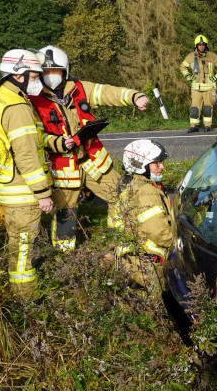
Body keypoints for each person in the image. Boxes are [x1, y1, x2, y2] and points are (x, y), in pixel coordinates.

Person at [30, 45, 148, 250]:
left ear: (65, 70)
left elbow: (108, 92)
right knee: (66, 213)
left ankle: (119, 243)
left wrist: (134, 96)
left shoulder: (79, 88)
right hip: (63, 168)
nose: (50, 76)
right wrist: (57, 143)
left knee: (120, 195)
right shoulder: (33, 98)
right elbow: (35, 136)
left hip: (93, 160)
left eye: (55, 71)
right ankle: (64, 258)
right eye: (46, 72)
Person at [0, 49, 68, 299]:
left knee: (14, 243)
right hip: (21, 193)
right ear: (18, 75)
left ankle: (17, 290)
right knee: (24, 249)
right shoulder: (17, 106)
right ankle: (28, 300)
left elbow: (21, 138)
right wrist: (43, 193)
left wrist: (55, 142)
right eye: (34, 76)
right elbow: (26, 154)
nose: (39, 81)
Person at [115, 139, 176, 289]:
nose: (162, 167)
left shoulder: (133, 184)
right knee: (154, 305)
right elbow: (160, 233)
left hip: (133, 261)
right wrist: (181, 245)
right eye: (157, 163)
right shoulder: (146, 192)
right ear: (141, 166)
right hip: (146, 265)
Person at [180, 34, 217, 133]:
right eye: (199, 45)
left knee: (207, 108)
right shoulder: (191, 57)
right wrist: (188, 76)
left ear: (206, 45)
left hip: (209, 88)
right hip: (196, 88)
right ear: (196, 46)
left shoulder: (212, 56)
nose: (201, 46)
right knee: (194, 108)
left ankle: (207, 126)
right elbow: (182, 67)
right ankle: (194, 126)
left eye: (203, 45)